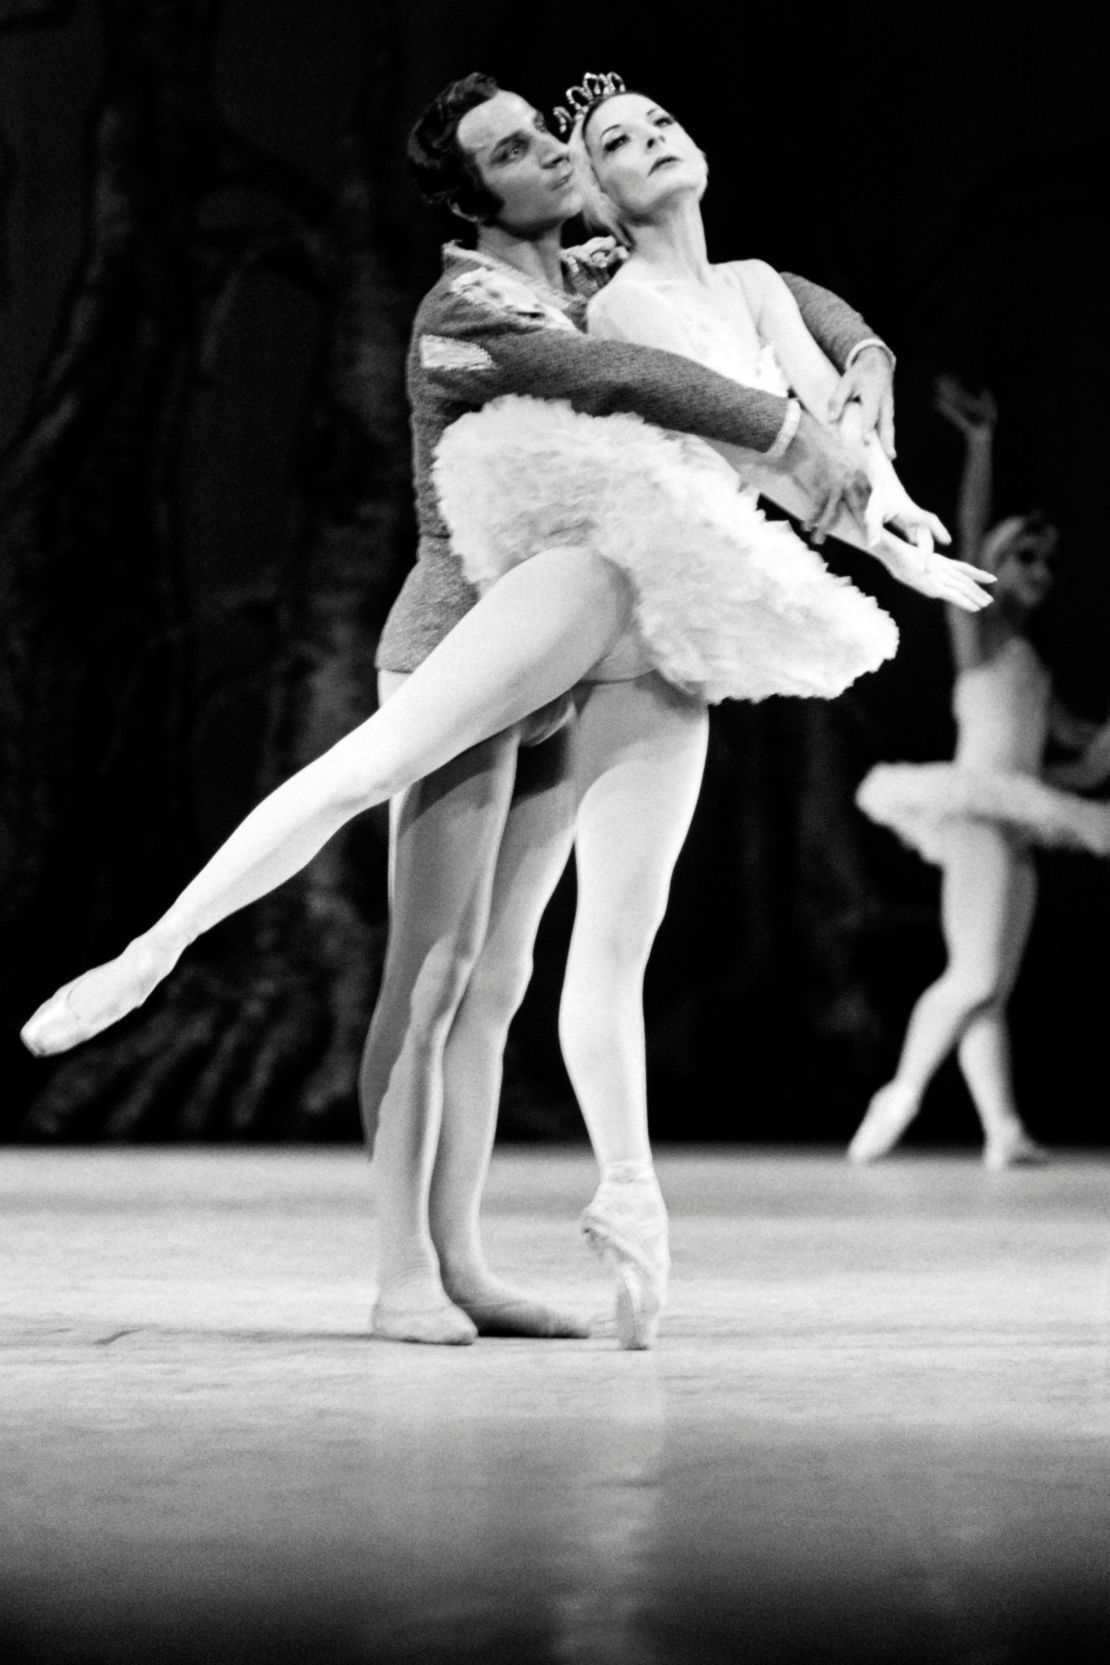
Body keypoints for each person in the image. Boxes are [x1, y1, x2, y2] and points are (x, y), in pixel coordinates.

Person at [19, 79, 992, 1348]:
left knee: (502, 977)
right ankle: (388, 1261)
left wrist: (866, 376)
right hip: (457, 655)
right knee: (428, 977)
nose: (551, 154)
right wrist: (801, 439)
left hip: (569, 656)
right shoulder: (465, 311)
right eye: (522, 150)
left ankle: (468, 1265)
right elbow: (634, 373)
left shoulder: (585, 262)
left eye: (546, 134)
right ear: (481, 199)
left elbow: (784, 300)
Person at [848, 377, 1110, 1167]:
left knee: (990, 984)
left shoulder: (1035, 668)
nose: (1040, 568)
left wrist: (1096, 760)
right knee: (973, 974)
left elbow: (1070, 769)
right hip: (972, 815)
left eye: (1046, 559)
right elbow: (962, 535)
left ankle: (1002, 1128)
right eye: (1023, 555)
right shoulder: (985, 634)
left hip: (1015, 818)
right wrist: (981, 446)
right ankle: (897, 1094)